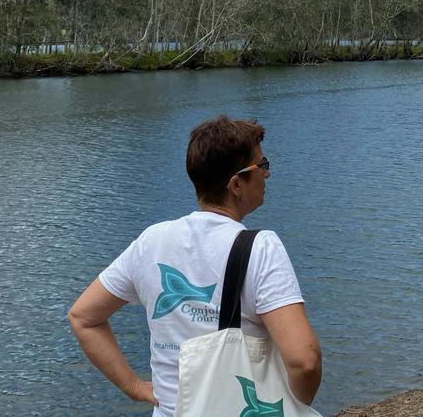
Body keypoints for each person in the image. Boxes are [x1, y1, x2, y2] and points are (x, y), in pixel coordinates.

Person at [67, 115, 322, 416]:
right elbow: (304, 361)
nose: (267, 174)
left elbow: (83, 317)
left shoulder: (151, 241)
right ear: (236, 184)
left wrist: (134, 387)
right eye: (262, 166)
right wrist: (298, 405)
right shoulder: (260, 248)